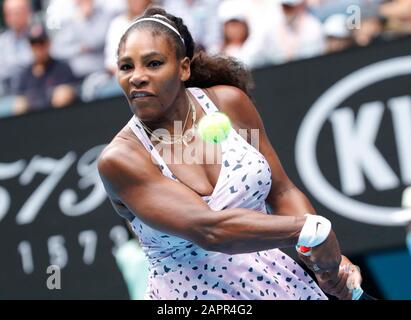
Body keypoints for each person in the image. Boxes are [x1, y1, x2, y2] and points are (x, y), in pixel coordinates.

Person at [97, 7, 363, 300]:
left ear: (183, 68)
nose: (137, 77)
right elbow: (211, 230)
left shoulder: (229, 103)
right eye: (126, 67)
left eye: (153, 63)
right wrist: (311, 230)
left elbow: (282, 191)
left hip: (282, 286)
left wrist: (329, 265)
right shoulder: (121, 159)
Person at [12, 23, 77, 115]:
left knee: (62, 94)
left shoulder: (62, 68)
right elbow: (20, 100)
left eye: (41, 43)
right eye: (34, 44)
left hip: (60, 117)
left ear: (48, 43)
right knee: (19, 104)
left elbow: (70, 93)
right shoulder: (25, 74)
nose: (38, 48)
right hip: (32, 120)